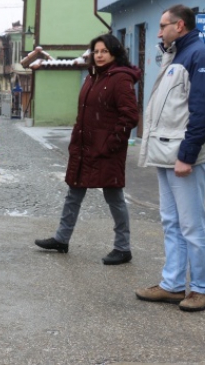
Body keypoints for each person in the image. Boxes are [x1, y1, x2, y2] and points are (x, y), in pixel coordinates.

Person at [134, 4, 205, 312]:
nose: (158, 32)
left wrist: (187, 156)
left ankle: (203, 288)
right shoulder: (176, 55)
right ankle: (172, 285)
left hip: (184, 158)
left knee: (192, 225)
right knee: (172, 222)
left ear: (179, 26)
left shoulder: (200, 56)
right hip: (166, 154)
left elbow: (203, 111)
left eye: (162, 26)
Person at [34, 34, 141, 265]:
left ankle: (123, 248)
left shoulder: (120, 78)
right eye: (96, 51)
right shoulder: (92, 77)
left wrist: (110, 143)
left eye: (104, 51)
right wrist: (77, 141)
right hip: (84, 147)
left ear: (114, 53)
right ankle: (62, 239)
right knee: (73, 193)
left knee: (114, 197)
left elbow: (130, 116)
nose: (100, 55)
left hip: (106, 150)